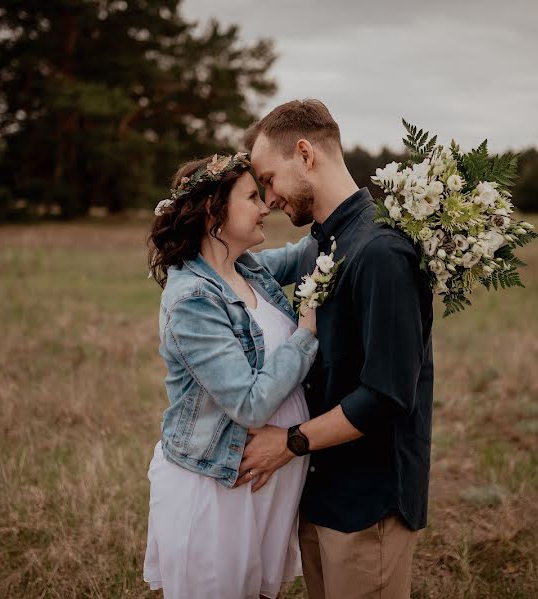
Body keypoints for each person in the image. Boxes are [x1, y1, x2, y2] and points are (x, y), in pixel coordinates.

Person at [238, 99, 435, 599]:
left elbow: (387, 395)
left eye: (268, 178)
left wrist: (288, 443)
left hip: (368, 503)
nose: (269, 197)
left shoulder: (381, 251)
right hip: (322, 491)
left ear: (305, 154)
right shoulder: (325, 243)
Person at [142, 152, 319, 599]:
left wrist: (394, 211)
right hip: (218, 488)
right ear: (213, 213)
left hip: (267, 478)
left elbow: (310, 251)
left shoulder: (248, 270)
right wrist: (307, 330)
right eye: (252, 197)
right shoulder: (192, 301)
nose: (265, 206)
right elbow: (249, 403)